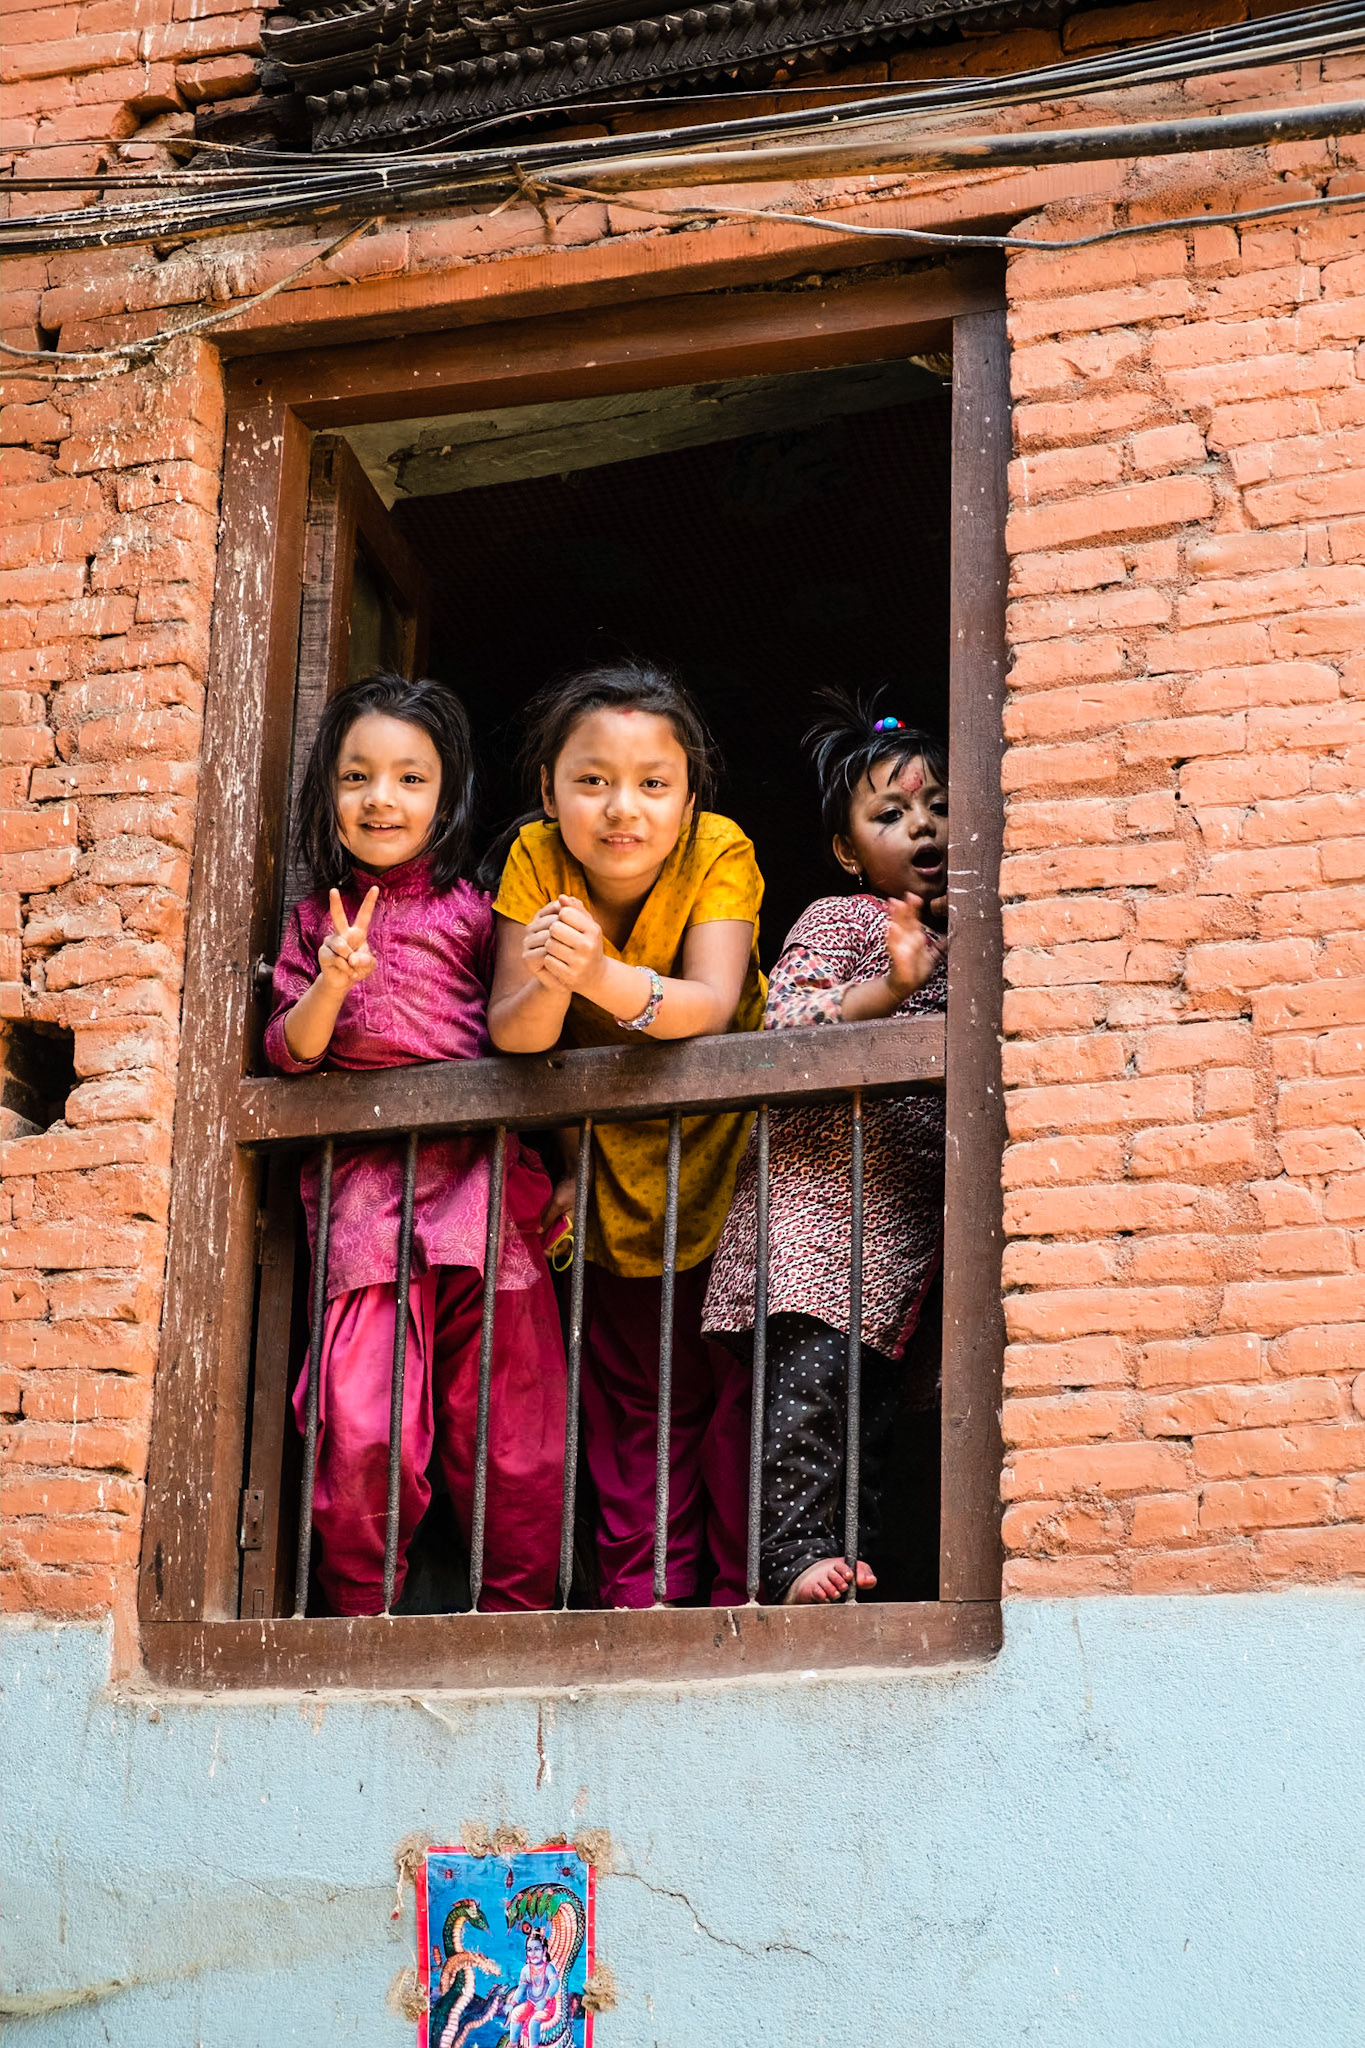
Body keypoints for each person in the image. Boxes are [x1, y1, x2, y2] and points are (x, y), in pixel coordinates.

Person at [265, 671, 567, 1617]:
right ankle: (362, 1622)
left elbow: (530, 1041)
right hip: (365, 1202)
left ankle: (516, 1625)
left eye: (409, 778)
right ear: (329, 793)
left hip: (483, 1195)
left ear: (448, 794)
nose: (380, 799)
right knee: (361, 1427)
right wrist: (331, 982)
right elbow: (287, 1052)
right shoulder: (314, 921)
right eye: (357, 778)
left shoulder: (479, 914)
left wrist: (565, 1169)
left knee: (514, 1439)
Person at [487, 659, 765, 1609]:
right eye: (592, 780)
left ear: (689, 801)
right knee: (640, 1400)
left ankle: (737, 1600)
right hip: (604, 1171)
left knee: (735, 1391)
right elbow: (512, 1032)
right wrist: (555, 979)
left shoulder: (720, 850)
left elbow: (715, 1003)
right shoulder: (534, 859)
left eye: (653, 785)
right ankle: (643, 1600)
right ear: (547, 790)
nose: (622, 809)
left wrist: (600, 979)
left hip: (732, 1160)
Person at [703, 692, 948, 1604]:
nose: (920, 828)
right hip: (813, 1233)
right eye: (890, 815)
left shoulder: (975, 934)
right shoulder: (840, 923)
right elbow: (791, 1016)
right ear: (849, 851)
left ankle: (847, 1562)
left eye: (938, 807)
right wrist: (887, 990)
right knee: (804, 1407)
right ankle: (794, 1559)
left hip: (898, 1246)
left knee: (866, 1421)